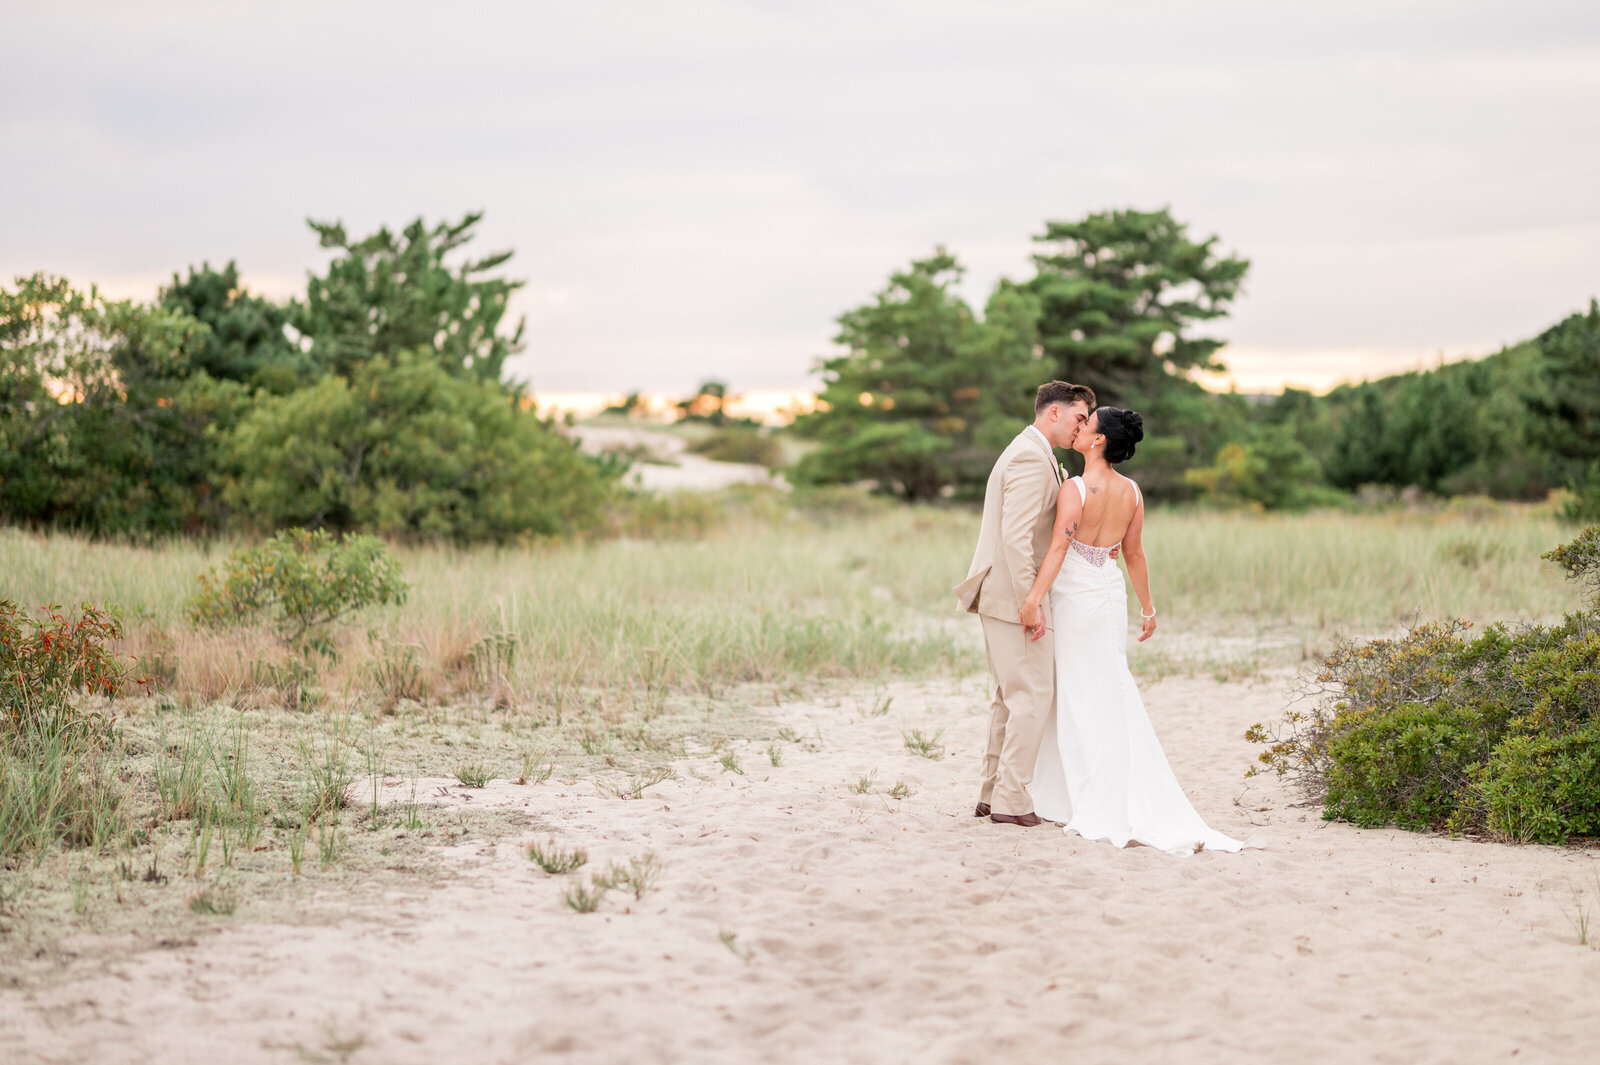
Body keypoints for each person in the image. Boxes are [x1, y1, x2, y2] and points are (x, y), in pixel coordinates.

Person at [1023, 407, 1250, 854]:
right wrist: (1148, 607)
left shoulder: (1075, 488)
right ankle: (1098, 783)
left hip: (1075, 597)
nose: (1080, 427)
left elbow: (1057, 548)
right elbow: (1134, 555)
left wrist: (1033, 599)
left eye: (1087, 425)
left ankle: (1080, 792)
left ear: (1099, 440)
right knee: (1108, 683)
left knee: (1077, 688)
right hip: (1109, 596)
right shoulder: (1132, 491)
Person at [954, 381, 1093, 827]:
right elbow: (1016, 539)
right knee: (1032, 696)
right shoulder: (1031, 458)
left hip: (1003, 595)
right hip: (1014, 598)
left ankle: (990, 793)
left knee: (1009, 699)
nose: (1082, 427)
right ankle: (1011, 800)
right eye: (1078, 417)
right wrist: (1030, 601)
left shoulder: (1034, 452)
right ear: (1053, 412)